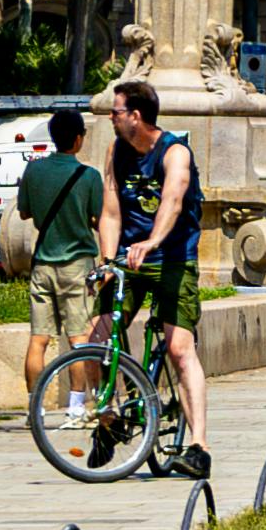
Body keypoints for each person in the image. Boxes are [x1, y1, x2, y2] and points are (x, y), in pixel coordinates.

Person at [95, 75, 213, 480]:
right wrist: (108, 260)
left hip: (173, 257)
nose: (110, 118)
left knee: (180, 350)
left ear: (136, 115)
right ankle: (114, 419)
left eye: (115, 111)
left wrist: (153, 240)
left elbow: (173, 201)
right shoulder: (115, 150)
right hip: (129, 258)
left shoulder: (175, 152)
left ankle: (199, 446)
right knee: (98, 336)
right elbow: (111, 211)